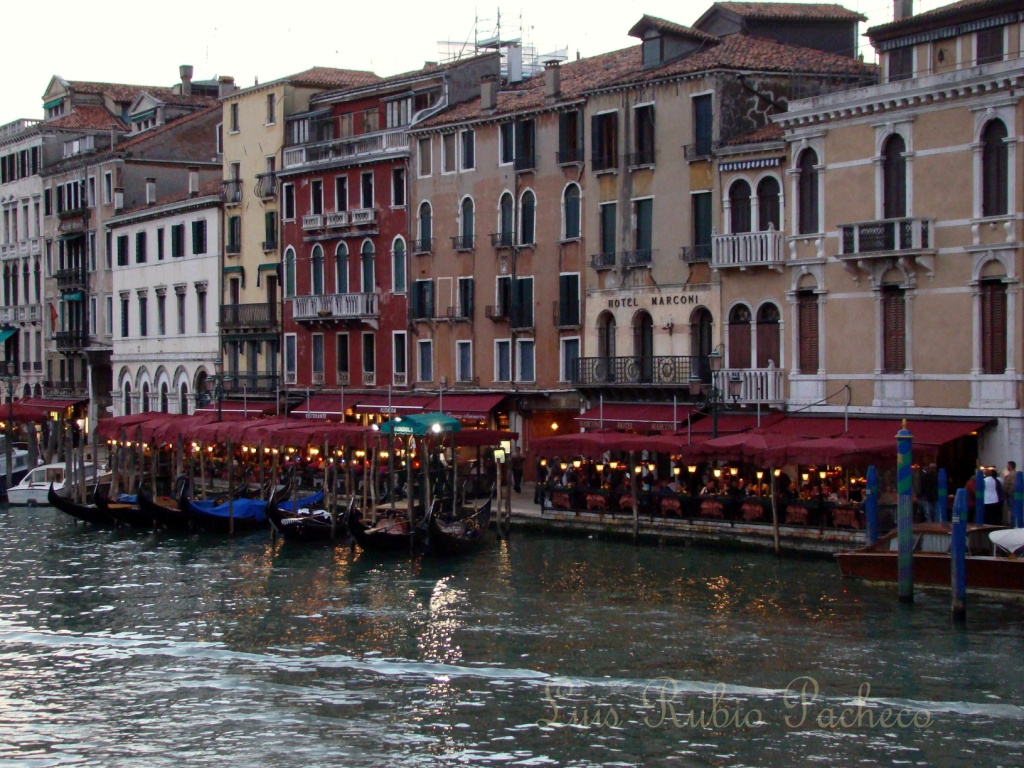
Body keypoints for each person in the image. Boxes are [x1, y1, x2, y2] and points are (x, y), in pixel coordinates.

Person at [1003, 461, 1017, 525]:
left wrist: (1006, 491)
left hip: (1010, 494)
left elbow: (1007, 484)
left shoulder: (1011, 474)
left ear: (1010, 466)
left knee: (1012, 508)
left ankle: (1013, 523)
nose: (1007, 467)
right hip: (1015, 493)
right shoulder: (1016, 473)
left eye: (1008, 465)